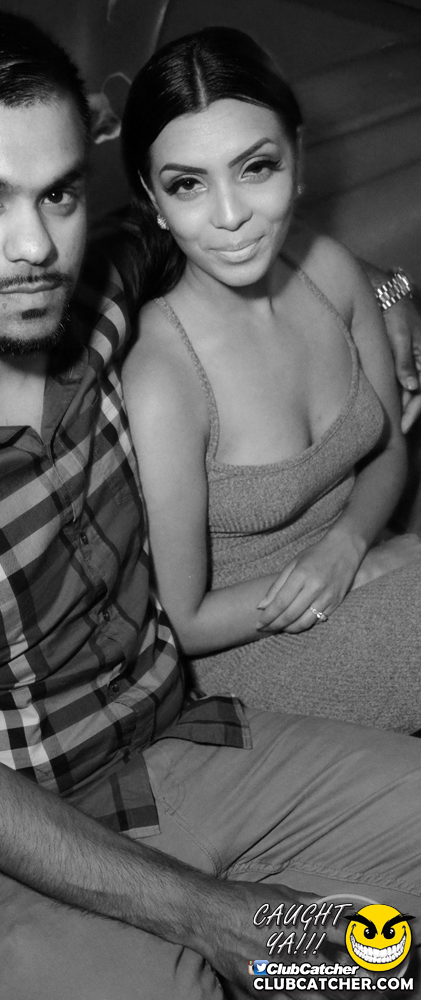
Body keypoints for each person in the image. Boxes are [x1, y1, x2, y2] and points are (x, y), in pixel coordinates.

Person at [0, 11, 421, 1000]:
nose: (33, 244)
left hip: (193, 745)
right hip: (6, 853)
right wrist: (213, 914)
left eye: (58, 193)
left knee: (373, 958)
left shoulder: (93, 291)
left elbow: (244, 236)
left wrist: (390, 292)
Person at [120, 27, 421, 733]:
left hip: (364, 568)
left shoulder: (333, 272)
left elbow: (387, 453)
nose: (229, 216)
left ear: (298, 156)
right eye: (187, 184)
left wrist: (350, 545)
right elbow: (183, 621)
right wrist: (351, 575)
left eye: (255, 167)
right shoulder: (163, 376)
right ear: (153, 199)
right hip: (251, 647)